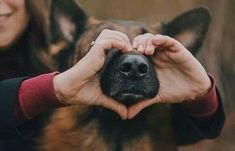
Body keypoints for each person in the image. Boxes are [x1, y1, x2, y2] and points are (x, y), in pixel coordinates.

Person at [0, 0, 224, 150]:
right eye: (103, 49)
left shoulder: (45, 57)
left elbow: (186, 129)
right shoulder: (52, 81)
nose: (134, 63)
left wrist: (201, 94)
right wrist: (50, 91)